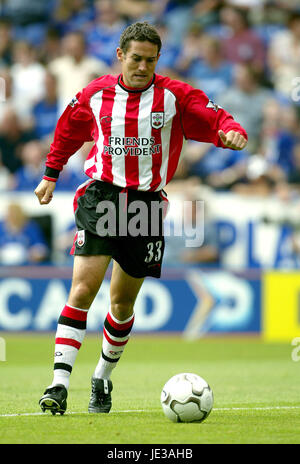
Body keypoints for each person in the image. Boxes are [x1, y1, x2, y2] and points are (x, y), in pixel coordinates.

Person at [34, 21, 247, 416]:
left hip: (145, 206)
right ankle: (58, 384)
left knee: (122, 303)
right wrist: (50, 174)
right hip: (102, 196)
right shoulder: (96, 94)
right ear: (121, 56)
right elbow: (68, 129)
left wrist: (231, 130)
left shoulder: (175, 97)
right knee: (82, 290)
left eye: (151, 60)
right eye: (136, 58)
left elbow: (214, 115)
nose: (143, 67)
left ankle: (101, 377)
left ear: (158, 60)